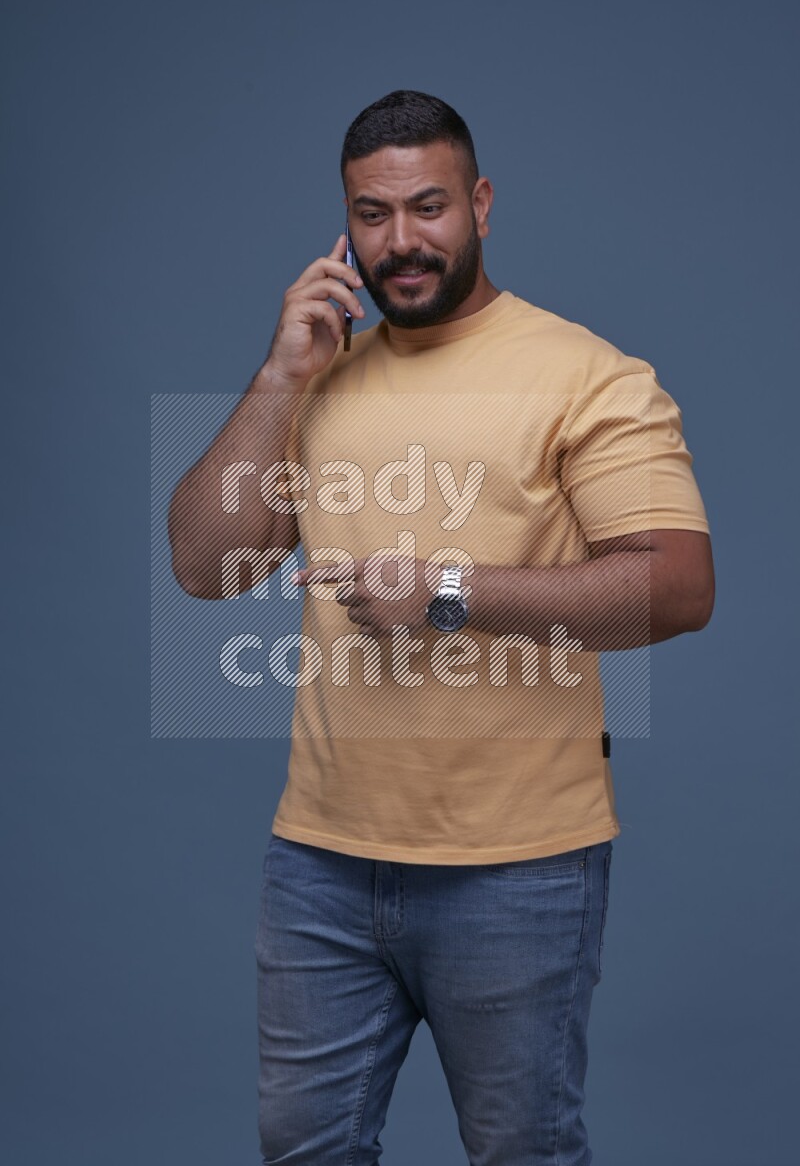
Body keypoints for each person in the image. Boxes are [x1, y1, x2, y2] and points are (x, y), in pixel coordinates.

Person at [168, 91, 714, 1166]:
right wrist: (281, 373)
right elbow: (202, 562)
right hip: (318, 862)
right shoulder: (316, 380)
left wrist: (446, 592)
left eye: (428, 207)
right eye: (372, 215)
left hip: (517, 870)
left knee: (520, 1155)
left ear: (480, 204)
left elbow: (677, 586)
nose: (402, 241)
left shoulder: (587, 377)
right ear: (343, 223)